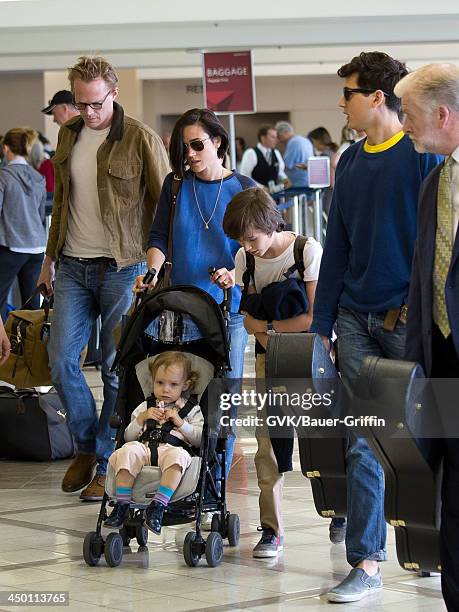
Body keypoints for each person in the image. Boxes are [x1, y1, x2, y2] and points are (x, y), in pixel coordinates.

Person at [310, 51, 442, 603]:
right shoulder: (352, 162)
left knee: (423, 438)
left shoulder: (423, 158)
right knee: (366, 439)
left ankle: (430, 547)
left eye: (349, 94)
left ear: (376, 98)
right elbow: (337, 244)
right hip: (356, 320)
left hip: (410, 321)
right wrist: (322, 324)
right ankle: (367, 560)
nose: (342, 104)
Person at [37, 55, 169, 502]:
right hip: (72, 263)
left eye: (96, 103)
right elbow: (61, 204)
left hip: (123, 266)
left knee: (116, 366)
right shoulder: (68, 134)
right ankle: (86, 444)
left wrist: (158, 264)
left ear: (113, 93)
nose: (89, 112)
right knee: (60, 360)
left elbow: (164, 203)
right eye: (81, 104)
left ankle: (105, 457)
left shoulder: (140, 138)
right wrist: (47, 259)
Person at [135, 108, 256, 488]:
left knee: (224, 397)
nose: (190, 154)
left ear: (218, 141)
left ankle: (215, 478)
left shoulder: (244, 188)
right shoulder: (175, 187)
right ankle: (180, 469)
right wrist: (152, 270)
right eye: (183, 148)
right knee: (180, 390)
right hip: (181, 308)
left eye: (198, 144)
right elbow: (158, 238)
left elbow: (262, 247)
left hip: (227, 311)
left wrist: (235, 274)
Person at [223, 187, 322, 557]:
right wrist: (263, 327)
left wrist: (267, 328)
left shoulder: (306, 250)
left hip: (309, 357)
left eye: (253, 238)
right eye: (241, 241)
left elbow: (312, 318)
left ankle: (339, 511)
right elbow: (245, 320)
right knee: (267, 444)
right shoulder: (244, 260)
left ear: (271, 223)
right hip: (268, 359)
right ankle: (271, 530)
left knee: (323, 439)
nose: (248, 247)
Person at [395, 63, 459, 612]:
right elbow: (424, 276)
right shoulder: (433, 182)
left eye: (411, 117)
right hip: (441, 360)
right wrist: (416, 362)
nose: (405, 126)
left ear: (443, 115)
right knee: (452, 490)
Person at [104, 351, 203, 534]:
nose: (166, 389)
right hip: (145, 447)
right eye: (160, 383)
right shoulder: (145, 406)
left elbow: (199, 438)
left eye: (173, 384)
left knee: (180, 457)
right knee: (127, 451)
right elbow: (128, 436)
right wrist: (141, 419)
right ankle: (122, 504)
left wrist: (181, 423)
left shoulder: (191, 409)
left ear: (185, 385)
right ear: (153, 381)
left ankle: (158, 505)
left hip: (172, 449)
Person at [0, 128, 46, 319]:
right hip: (37, 248)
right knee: (31, 303)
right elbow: (41, 214)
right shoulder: (38, 176)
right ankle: (31, 347)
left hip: (12, 246)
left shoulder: (4, 176)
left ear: (5, 148)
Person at [275, 121, 313, 188]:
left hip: (298, 184)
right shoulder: (304, 140)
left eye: (278, 136)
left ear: (285, 132)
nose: (278, 140)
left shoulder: (293, 142)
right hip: (308, 180)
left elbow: (286, 164)